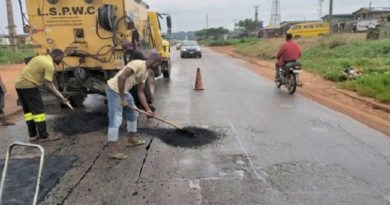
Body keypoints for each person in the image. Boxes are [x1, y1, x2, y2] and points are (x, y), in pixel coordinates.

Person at [105, 53, 161, 160]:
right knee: (116, 119)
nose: (158, 66)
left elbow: (140, 92)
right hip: (114, 90)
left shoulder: (146, 72)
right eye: (159, 63)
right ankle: (113, 151)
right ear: (155, 62)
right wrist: (122, 99)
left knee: (134, 114)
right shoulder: (138, 64)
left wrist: (148, 109)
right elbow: (121, 77)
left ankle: (131, 140)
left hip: (124, 92)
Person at [15, 49, 69, 141]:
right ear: (57, 57)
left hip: (19, 85)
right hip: (29, 86)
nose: (61, 60)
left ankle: (33, 135)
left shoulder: (40, 57)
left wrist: (61, 97)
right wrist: (61, 98)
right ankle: (44, 136)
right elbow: (48, 85)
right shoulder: (49, 65)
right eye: (61, 58)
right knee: (39, 112)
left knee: (28, 112)